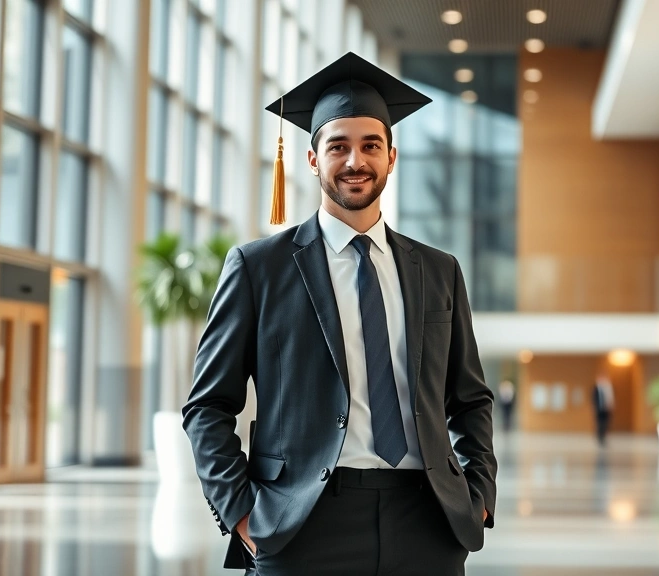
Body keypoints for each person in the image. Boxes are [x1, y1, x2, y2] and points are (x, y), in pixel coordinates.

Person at [182, 52, 497, 576]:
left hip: (427, 521)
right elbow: (207, 406)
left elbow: (470, 398)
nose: (356, 161)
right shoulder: (258, 268)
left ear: (392, 157)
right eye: (338, 147)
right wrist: (241, 513)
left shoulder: (440, 271)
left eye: (370, 145)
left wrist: (479, 493)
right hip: (301, 524)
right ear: (312, 160)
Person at [592, 374, 614, 446]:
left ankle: (604, 438)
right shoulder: (595, 389)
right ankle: (599, 438)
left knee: (605, 424)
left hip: (605, 409)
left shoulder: (607, 389)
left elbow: (609, 398)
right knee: (599, 424)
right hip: (599, 409)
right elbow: (593, 399)